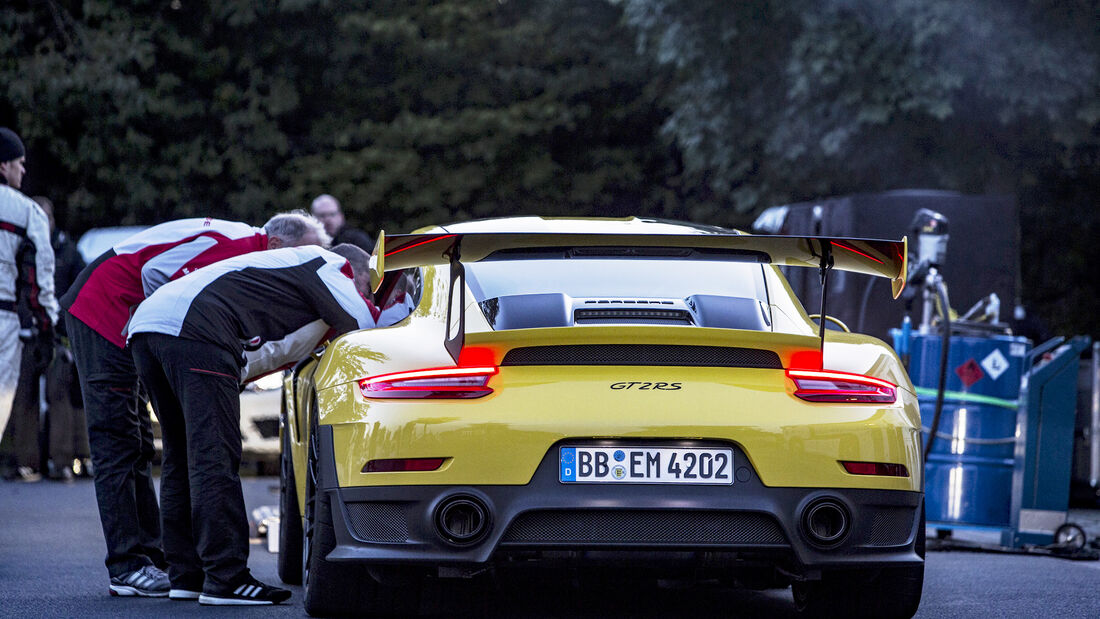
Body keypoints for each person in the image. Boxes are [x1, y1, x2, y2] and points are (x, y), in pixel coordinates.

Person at [60, 212, 328, 597]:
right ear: (279, 246)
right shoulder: (233, 247)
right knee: (116, 440)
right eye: (303, 259)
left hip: (125, 311)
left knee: (138, 441)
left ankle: (150, 558)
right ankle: (127, 564)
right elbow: (159, 277)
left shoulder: (243, 247)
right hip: (104, 307)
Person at [129, 243, 412, 605]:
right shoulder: (330, 265)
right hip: (198, 329)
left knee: (182, 455)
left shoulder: (291, 275)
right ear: (359, 275)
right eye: (368, 289)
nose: (367, 297)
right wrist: (396, 303)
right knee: (213, 455)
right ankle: (226, 578)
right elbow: (362, 332)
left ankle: (187, 574)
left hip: (150, 327)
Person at [0, 127, 57, 482]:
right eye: (19, 164)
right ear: (3, 166)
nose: (23, 171)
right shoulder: (26, 212)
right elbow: (40, 278)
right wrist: (47, 326)